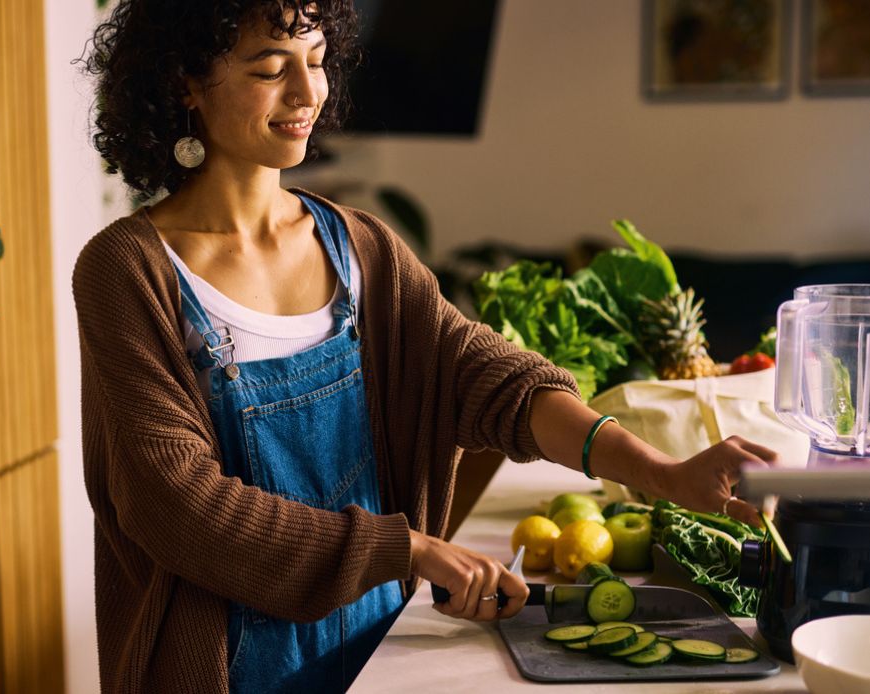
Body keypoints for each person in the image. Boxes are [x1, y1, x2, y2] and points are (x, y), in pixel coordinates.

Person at [74, 2, 777, 692]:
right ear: (184, 83)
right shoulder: (128, 270)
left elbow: (492, 380)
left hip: (380, 639)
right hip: (226, 661)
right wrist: (405, 549)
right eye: (269, 69)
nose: (305, 92)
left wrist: (666, 474)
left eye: (316, 62)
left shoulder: (360, 247)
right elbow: (174, 503)